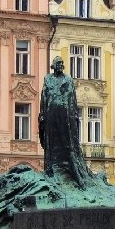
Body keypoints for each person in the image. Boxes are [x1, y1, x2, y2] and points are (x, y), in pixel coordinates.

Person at [39, 56, 93, 188]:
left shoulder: (68, 79)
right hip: (51, 112)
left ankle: (71, 170)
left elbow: (72, 98)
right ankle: (51, 169)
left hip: (65, 114)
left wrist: (74, 114)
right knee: (51, 141)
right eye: (58, 63)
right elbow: (44, 97)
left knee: (67, 141)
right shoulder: (48, 79)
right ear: (53, 65)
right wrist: (42, 114)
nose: (60, 65)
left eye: (62, 63)